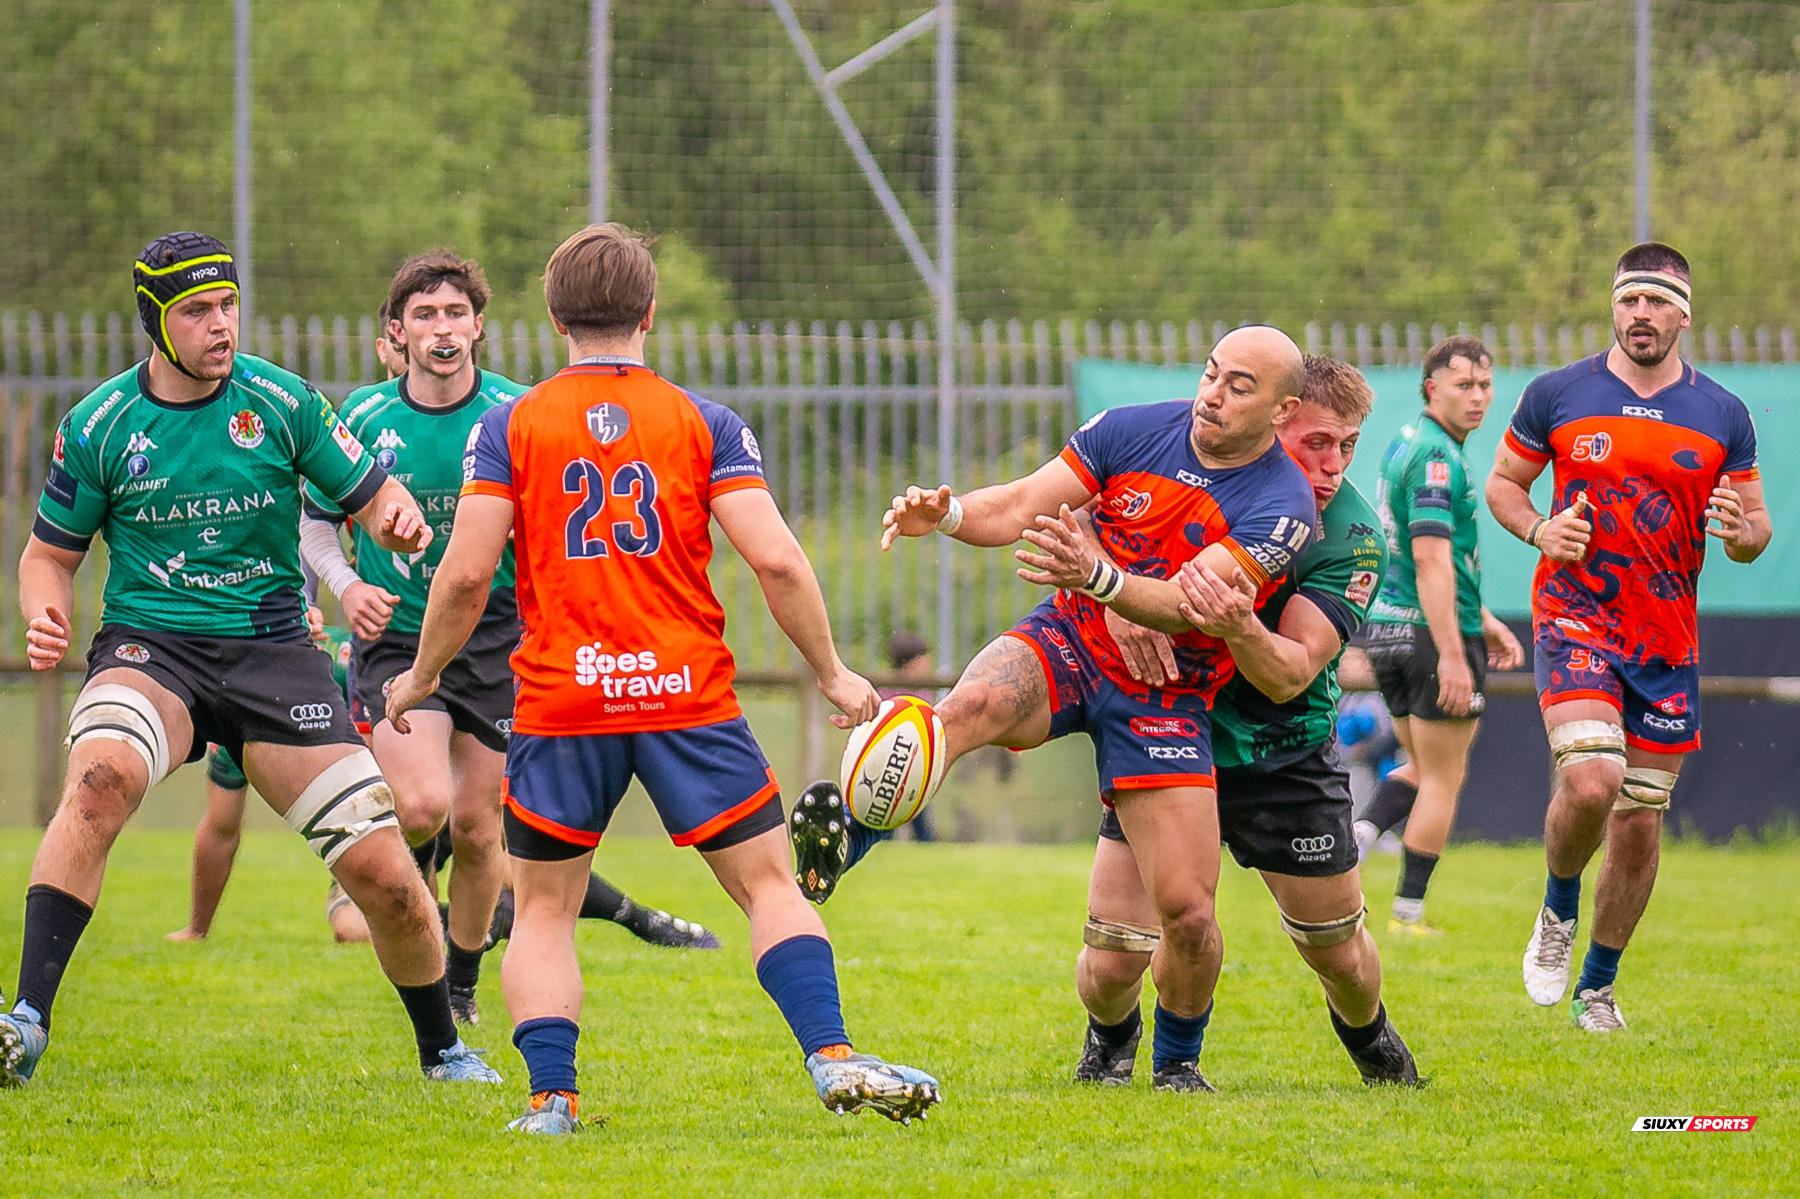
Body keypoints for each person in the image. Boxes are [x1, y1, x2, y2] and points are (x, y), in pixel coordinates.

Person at [385, 222, 940, 1133]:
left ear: (556, 319)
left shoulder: (510, 423)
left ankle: (552, 1099)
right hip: (684, 693)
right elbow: (779, 563)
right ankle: (833, 1056)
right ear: (649, 313)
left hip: (564, 697)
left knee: (549, 911)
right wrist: (834, 672)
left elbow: (468, 573)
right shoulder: (702, 421)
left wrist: (420, 676)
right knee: (770, 885)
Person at [3, 232, 498, 1087]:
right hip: (151, 649)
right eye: (197, 311)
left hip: (275, 652)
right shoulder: (99, 424)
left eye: (228, 305)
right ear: (156, 320)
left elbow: (371, 494)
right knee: (100, 780)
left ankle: (443, 1051)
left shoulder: (283, 401)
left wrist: (396, 519)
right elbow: (49, 553)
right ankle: (23, 1023)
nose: (220, 325)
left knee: (381, 866)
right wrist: (45, 610)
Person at [795, 325, 1318, 1092]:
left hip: (1166, 693)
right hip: (1070, 638)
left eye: (1240, 385)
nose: (1213, 393)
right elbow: (1014, 505)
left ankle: (1175, 1062)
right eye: (1211, 373)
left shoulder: (1284, 502)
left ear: (1283, 409)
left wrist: (1102, 577)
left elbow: (1188, 602)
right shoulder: (1133, 428)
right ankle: (847, 840)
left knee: (1188, 916)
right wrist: (944, 515)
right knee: (966, 707)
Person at [1072, 356, 1418, 1087]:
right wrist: (1113, 593)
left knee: (1339, 954)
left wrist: (1238, 626)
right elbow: (1078, 508)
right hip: (1163, 731)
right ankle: (1118, 1047)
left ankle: (1370, 1036)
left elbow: (1290, 672)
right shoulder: (1186, 456)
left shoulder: (1350, 534)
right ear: (1272, 421)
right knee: (1112, 957)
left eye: (1348, 445)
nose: (1332, 465)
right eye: (1317, 442)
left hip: (1279, 755)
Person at [1486, 243, 1770, 1032]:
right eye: (1628, 300)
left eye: (1656, 301)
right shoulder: (1558, 393)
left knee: (1641, 816)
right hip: (1577, 617)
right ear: (1613, 307)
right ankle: (1557, 909)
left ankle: (1598, 988)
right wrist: (1541, 528)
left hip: (1668, 640)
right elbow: (1504, 486)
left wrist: (1741, 532)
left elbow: (1757, 528)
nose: (1640, 314)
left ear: (1683, 313)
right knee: (1591, 781)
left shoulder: (1723, 413)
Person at [162, 621, 720, 955]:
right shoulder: (255, 705)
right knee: (353, 927)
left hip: (435, 805)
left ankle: (639, 919)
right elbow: (221, 825)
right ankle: (482, 920)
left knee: (498, 852)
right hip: (374, 835)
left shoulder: (354, 654)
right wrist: (197, 928)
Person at [1353, 337, 1524, 935]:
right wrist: (1456, 652)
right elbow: (1431, 562)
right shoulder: (1436, 459)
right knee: (1444, 779)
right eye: (1463, 386)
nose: (1477, 398)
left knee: (1423, 768)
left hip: (1390, 630)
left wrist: (1485, 622)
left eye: (1484, 385)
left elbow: (1420, 562)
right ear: (1432, 387)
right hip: (1428, 637)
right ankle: (1408, 914)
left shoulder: (1405, 443)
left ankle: (1357, 840)